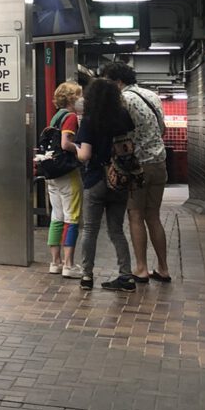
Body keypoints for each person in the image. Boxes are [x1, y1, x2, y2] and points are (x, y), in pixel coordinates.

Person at [101, 61, 171, 283]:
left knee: (135, 215)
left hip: (137, 166)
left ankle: (140, 268)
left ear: (118, 81)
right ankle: (163, 268)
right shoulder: (152, 96)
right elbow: (163, 129)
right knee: (154, 216)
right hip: (159, 162)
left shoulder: (124, 100)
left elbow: (118, 134)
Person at [74, 77, 136, 291]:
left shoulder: (90, 119)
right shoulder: (123, 117)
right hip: (119, 178)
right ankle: (126, 276)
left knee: (90, 230)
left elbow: (85, 154)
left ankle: (87, 276)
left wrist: (74, 148)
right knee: (116, 230)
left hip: (96, 179)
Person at [43, 82, 84, 278]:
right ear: (71, 99)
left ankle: (55, 262)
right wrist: (81, 150)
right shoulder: (70, 117)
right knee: (72, 218)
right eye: (79, 95)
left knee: (56, 217)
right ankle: (69, 265)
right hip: (67, 173)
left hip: (52, 173)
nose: (81, 99)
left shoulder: (56, 116)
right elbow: (65, 143)